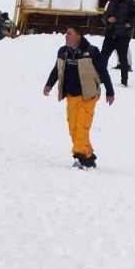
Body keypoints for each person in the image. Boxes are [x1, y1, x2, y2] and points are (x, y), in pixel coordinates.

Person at [43, 27, 116, 169]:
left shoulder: (92, 51)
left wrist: (110, 91)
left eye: (69, 33)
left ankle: (80, 157)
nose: (66, 36)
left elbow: (103, 71)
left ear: (78, 35)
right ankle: (88, 155)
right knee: (73, 128)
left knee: (82, 126)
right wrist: (49, 85)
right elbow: (57, 69)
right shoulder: (63, 51)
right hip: (72, 95)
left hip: (88, 95)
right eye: (66, 33)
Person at [101, 0, 135, 87]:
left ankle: (124, 80)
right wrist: (107, 19)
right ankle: (101, 78)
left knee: (122, 58)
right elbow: (104, 16)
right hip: (110, 32)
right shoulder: (110, 2)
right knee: (103, 57)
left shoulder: (129, 1)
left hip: (123, 34)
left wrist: (130, 24)